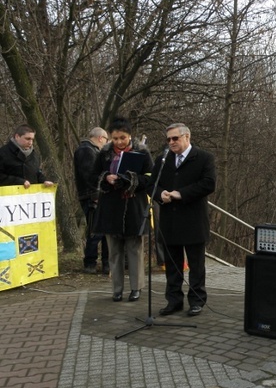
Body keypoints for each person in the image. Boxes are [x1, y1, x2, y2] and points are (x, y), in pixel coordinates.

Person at [148, 123, 216, 317]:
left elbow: (208, 184)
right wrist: (161, 194)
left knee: (196, 265)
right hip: (170, 220)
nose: (171, 142)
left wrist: (181, 194)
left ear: (187, 137)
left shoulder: (204, 158)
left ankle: (196, 300)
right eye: (168, 139)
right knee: (172, 264)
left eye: (175, 138)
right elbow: (152, 185)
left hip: (193, 219)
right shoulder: (162, 159)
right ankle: (174, 300)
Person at [92, 117, 153, 302]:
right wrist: (106, 178)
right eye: (116, 138)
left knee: (134, 249)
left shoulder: (141, 152)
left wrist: (132, 180)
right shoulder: (104, 153)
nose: (119, 142)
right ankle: (117, 289)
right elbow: (93, 175)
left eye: (123, 138)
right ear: (110, 137)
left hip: (134, 205)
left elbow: (150, 177)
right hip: (111, 206)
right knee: (114, 251)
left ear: (130, 136)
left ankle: (136, 288)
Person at [73, 127, 110, 274]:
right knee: (96, 231)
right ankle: (90, 263)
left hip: (95, 195)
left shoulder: (90, 150)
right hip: (92, 196)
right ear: (101, 138)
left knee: (102, 230)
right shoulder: (86, 151)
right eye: (106, 140)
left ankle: (104, 263)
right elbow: (89, 176)